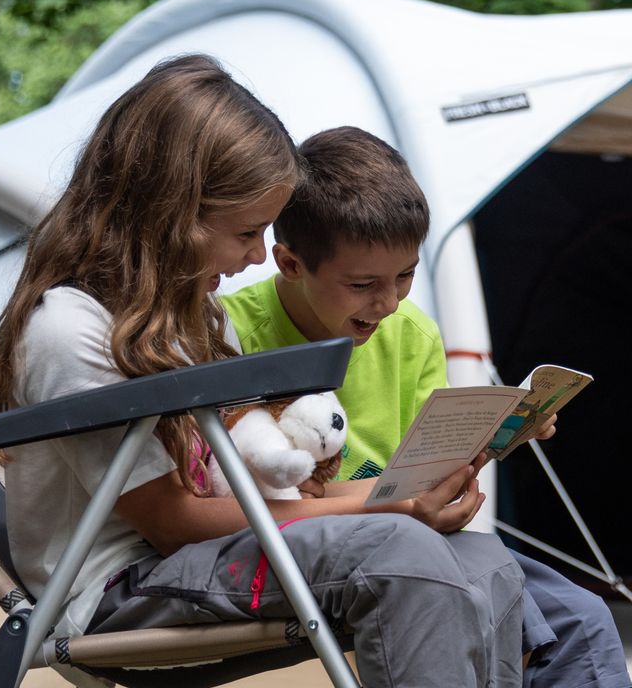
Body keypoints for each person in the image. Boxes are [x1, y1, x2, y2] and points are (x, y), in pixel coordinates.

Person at [0, 56, 528, 687]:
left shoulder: (199, 315)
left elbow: (285, 498)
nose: (260, 256)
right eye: (247, 231)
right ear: (170, 215)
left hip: (219, 551)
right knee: (403, 554)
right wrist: (391, 513)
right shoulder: (72, 330)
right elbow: (176, 523)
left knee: (481, 556)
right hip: (125, 584)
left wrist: (411, 494)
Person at [221, 125, 632, 688]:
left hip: (410, 527)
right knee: (504, 615)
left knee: (582, 617)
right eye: (364, 283)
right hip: (320, 545)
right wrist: (406, 505)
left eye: (407, 275)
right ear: (290, 264)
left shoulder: (411, 332)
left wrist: (493, 439)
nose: (388, 302)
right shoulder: (232, 334)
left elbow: (418, 467)